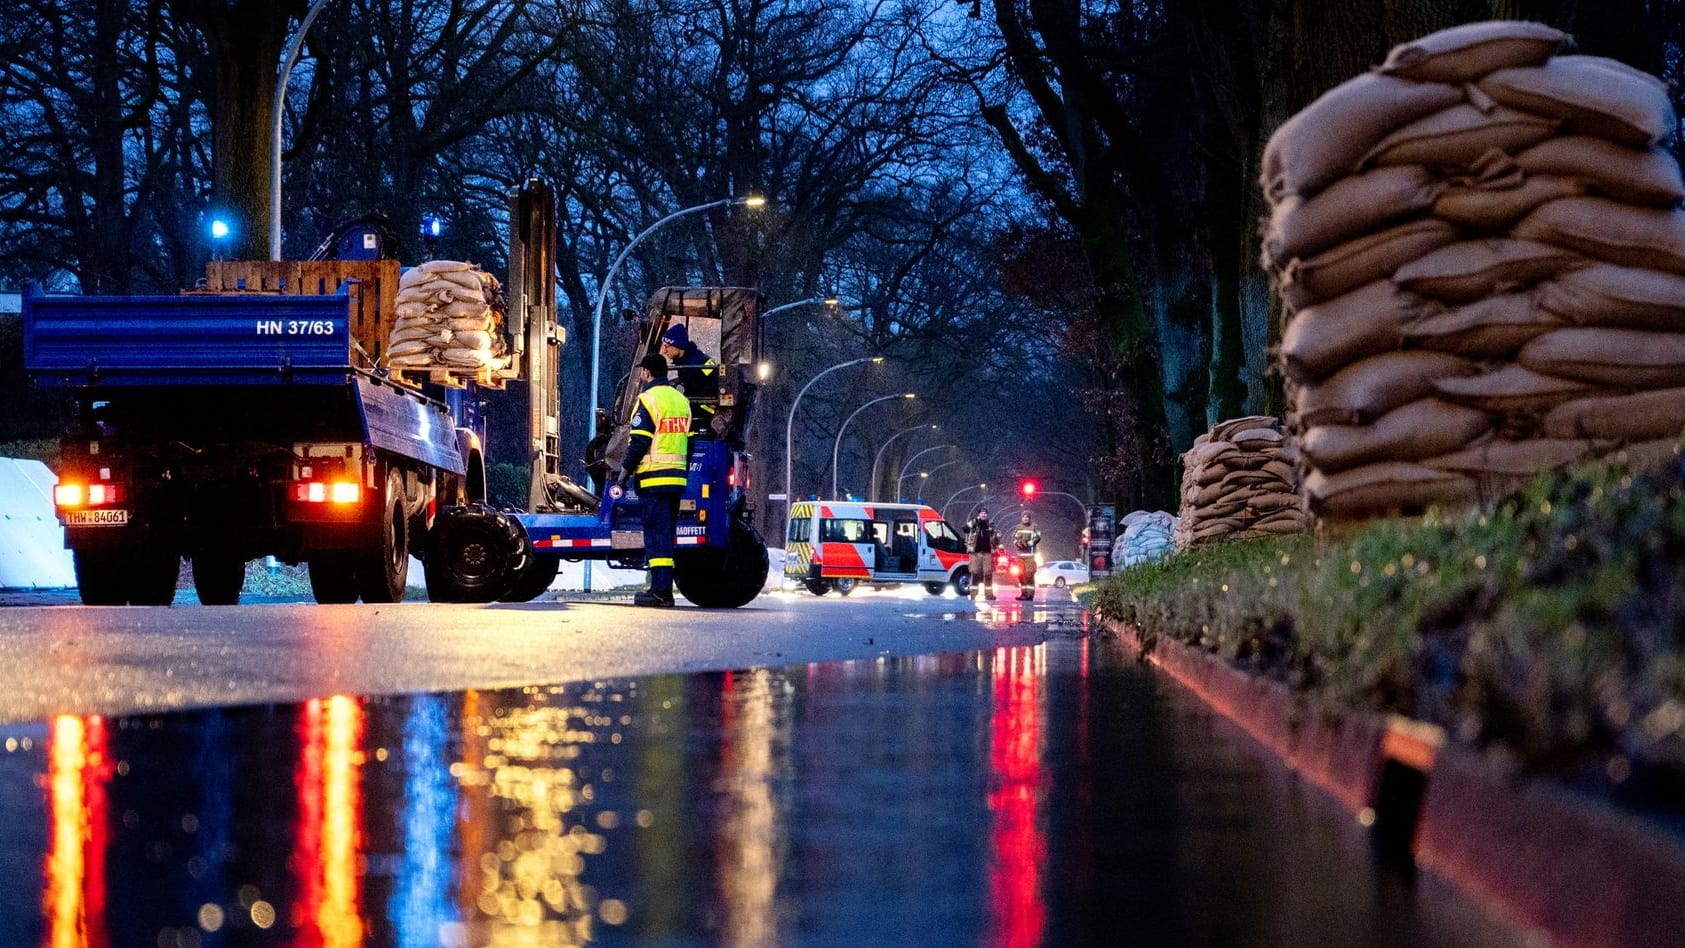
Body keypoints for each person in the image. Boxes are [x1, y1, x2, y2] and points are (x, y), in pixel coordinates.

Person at [620, 352, 692, 608]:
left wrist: (624, 473)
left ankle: (661, 592)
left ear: (647, 372)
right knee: (666, 533)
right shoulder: (681, 401)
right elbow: (689, 441)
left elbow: (639, 442)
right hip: (676, 479)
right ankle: (662, 588)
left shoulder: (648, 400)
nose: (641, 375)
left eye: (642, 371)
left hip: (653, 479)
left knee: (656, 534)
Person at [659, 323, 719, 436]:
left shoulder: (694, 366)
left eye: (667, 346)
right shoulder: (691, 360)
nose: (664, 351)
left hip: (706, 412)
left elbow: (689, 392)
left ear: (678, 345)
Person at [962, 508, 998, 600]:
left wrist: (996, 541)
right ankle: (973, 594)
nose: (984, 515)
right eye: (982, 513)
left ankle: (989, 595)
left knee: (988, 573)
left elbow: (997, 537)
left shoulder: (990, 525)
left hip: (987, 553)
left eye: (985, 513)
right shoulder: (974, 523)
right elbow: (964, 529)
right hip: (975, 553)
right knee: (975, 573)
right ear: (978, 515)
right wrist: (974, 522)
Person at [1011, 511, 1042, 601]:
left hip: (1030, 555)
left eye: (1027, 517)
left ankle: (1030, 595)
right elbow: (1013, 536)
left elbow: (1038, 537)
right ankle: (1023, 594)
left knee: (1029, 574)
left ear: (1029, 518)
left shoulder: (1034, 527)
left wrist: (1029, 543)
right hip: (1020, 555)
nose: (1025, 518)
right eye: (1024, 517)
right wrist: (1018, 543)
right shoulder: (1018, 527)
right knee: (1020, 574)